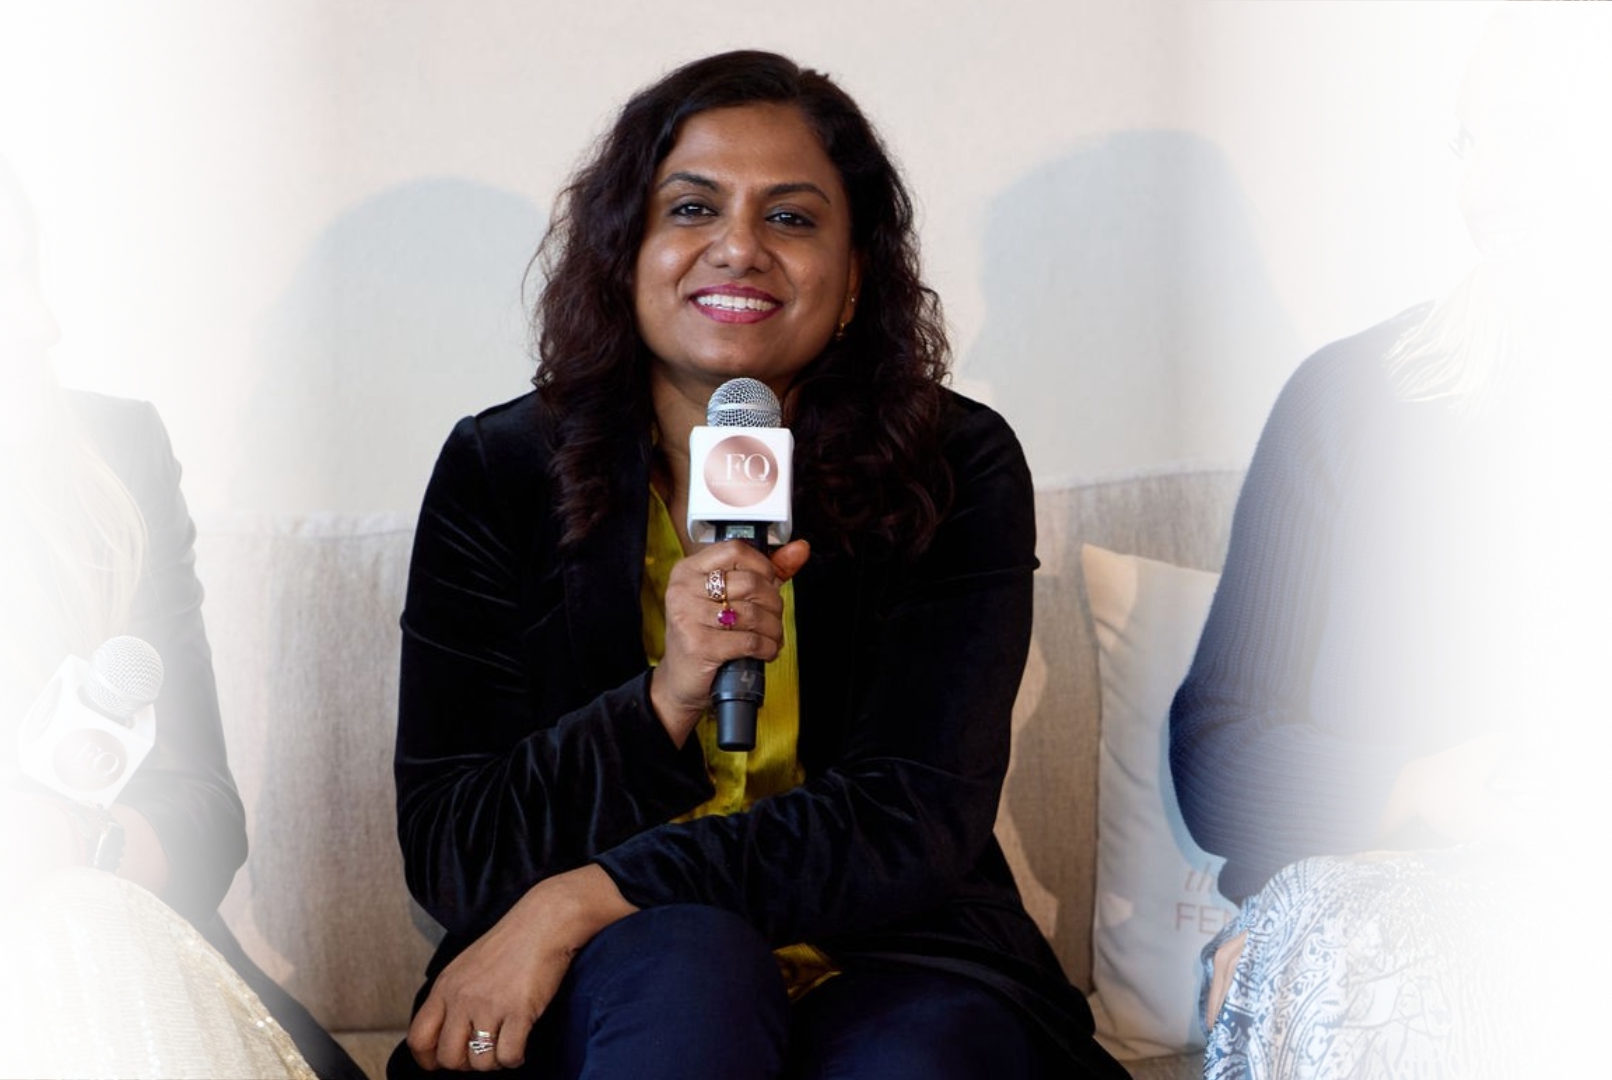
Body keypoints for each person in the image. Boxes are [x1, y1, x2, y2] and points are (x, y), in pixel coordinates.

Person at [391, 50, 1127, 1080]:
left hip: (894, 952)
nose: (739, 248)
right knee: (690, 971)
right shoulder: (501, 471)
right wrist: (665, 699)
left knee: (919, 1057)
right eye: (692, 208)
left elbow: (912, 816)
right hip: (620, 980)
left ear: (854, 273)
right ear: (626, 248)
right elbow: (453, 849)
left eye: (789, 217)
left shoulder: (954, 463)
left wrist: (582, 896)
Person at [1168, 8, 1612, 1077]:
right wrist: (1423, 787)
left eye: (1531, 134)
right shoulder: (1353, 398)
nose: (1482, 188)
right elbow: (1215, 751)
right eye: (1469, 143)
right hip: (1369, 924)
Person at [0, 126, 360, 1079]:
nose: (41, 321)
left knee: (66, 920)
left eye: (28, 268)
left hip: (120, 953)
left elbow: (203, 810)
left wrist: (64, 840)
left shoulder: (114, 456)